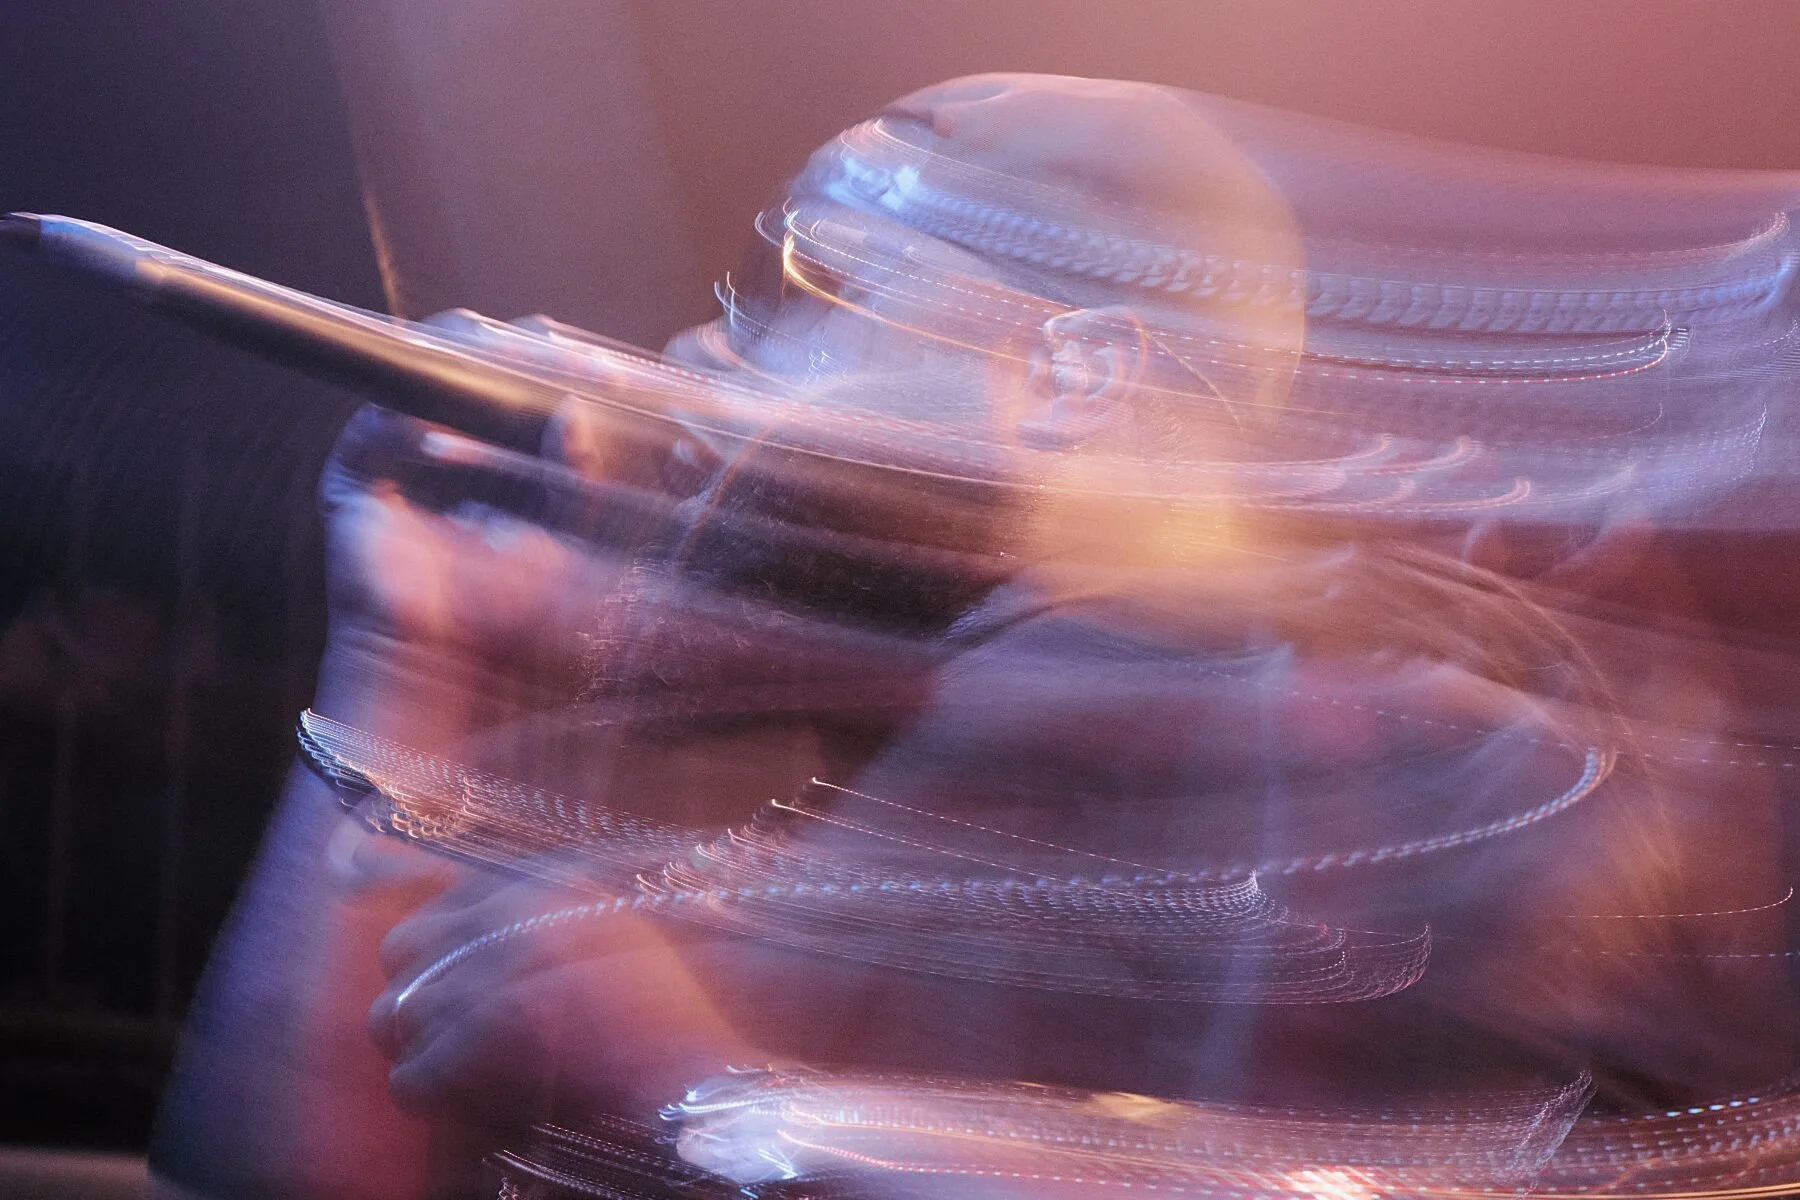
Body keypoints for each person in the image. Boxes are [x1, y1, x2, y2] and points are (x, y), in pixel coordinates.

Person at [150, 74, 1800, 1199]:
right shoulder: (899, 788)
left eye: (802, 303)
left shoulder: (1427, 760)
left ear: (1077, 376)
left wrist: (708, 1093)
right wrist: (416, 659)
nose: (702, 367)